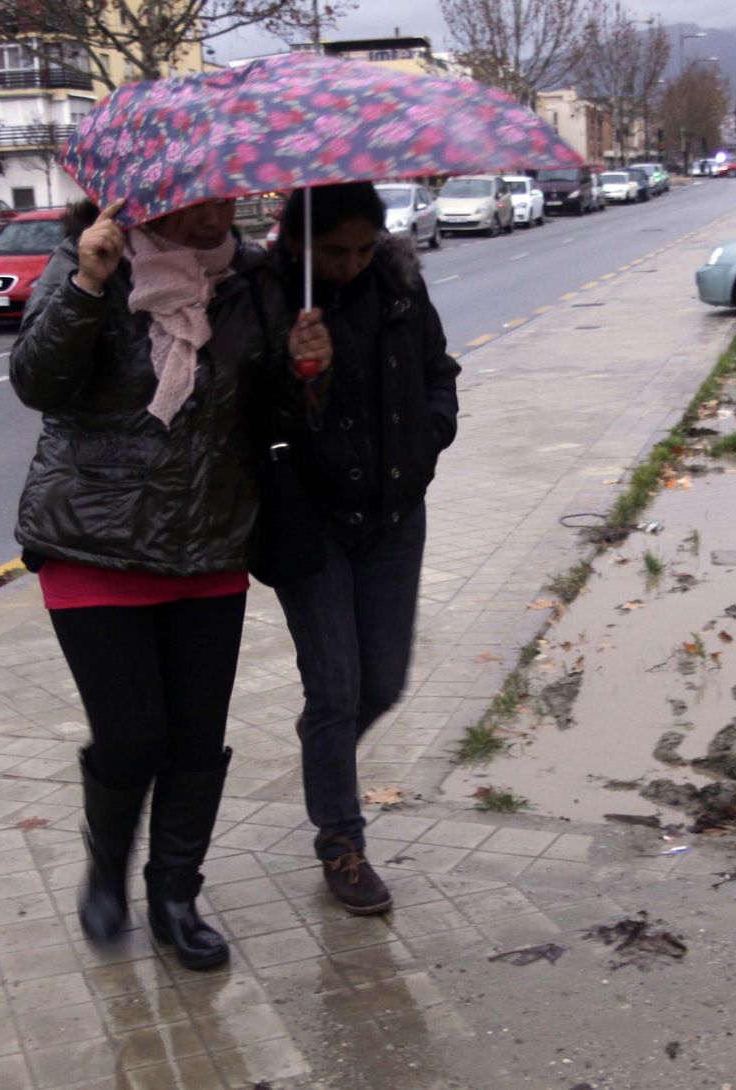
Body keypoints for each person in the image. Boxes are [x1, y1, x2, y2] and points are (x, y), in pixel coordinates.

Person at [10, 196, 328, 970]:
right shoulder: (95, 261)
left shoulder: (253, 279)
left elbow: (275, 417)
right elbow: (37, 383)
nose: (213, 214)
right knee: (131, 737)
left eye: (223, 197)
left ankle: (176, 895)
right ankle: (107, 872)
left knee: (194, 741)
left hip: (209, 540)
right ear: (149, 196)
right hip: (95, 540)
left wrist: (306, 369)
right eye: (193, 201)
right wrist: (88, 285)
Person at [266, 182, 460, 915]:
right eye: (333, 250)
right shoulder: (270, 299)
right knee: (336, 690)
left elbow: (439, 372)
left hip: (394, 513)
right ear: (296, 243)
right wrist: (300, 376)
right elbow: (249, 413)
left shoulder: (401, 286)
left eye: (362, 248)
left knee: (379, 684)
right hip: (311, 523)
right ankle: (341, 846)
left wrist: (429, 435)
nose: (350, 264)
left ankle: (326, 746)